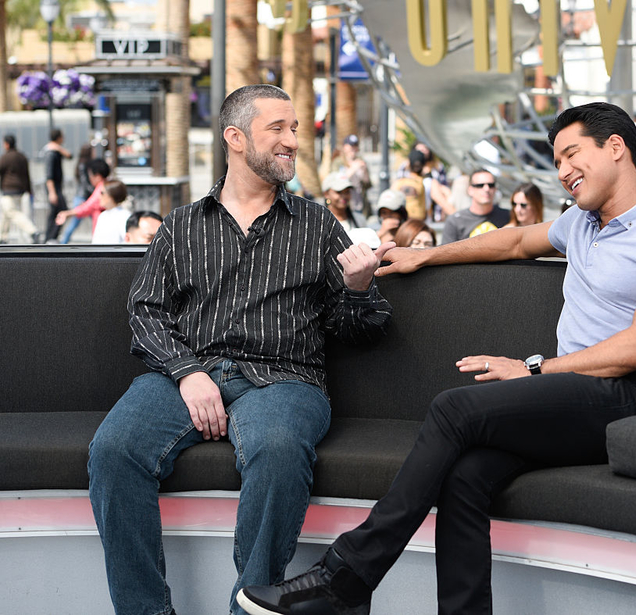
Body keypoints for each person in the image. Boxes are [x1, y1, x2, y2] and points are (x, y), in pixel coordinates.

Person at [236, 101, 636, 615]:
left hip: (628, 403)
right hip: (571, 401)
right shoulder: (581, 224)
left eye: (572, 154)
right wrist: (425, 254)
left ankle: (345, 577)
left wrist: (531, 369)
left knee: (454, 408)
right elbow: (511, 243)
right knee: (465, 477)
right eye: (556, 162)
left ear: (616, 147)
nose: (563, 172)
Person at [87, 84, 393, 615]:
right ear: (235, 137)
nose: (293, 141)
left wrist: (360, 289)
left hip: (286, 379)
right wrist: (186, 372)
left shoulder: (318, 225)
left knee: (278, 451)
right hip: (186, 372)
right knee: (113, 451)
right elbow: (145, 312)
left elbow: (358, 330)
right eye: (278, 128)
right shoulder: (182, 225)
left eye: (295, 129)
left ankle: (250, 607)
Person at [440, 169, 509, 244]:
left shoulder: (509, 216)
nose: (486, 189)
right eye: (480, 185)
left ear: (495, 189)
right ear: (470, 190)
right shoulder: (455, 221)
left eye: (491, 185)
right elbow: (447, 253)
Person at [55, 159, 111, 238]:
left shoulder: (102, 189)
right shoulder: (108, 185)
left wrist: (67, 213)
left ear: (98, 176)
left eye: (90, 176)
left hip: (103, 234)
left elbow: (89, 206)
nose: (90, 178)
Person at [0, 134, 39, 243]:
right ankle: (2, 238)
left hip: (8, 190)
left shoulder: (5, 157)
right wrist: (29, 190)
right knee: (5, 213)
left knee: (11, 212)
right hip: (21, 190)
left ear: (7, 144)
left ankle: (32, 230)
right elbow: (27, 174)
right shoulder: (22, 156)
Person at [60, 143, 94, 244]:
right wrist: (94, 191)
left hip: (82, 196)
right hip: (83, 197)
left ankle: (63, 243)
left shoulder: (81, 163)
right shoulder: (84, 164)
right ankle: (63, 243)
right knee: (75, 223)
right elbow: (85, 182)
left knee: (95, 220)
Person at [43, 128, 72, 242]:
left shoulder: (56, 151)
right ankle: (50, 237)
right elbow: (49, 175)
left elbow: (70, 156)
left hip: (57, 187)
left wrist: (58, 148)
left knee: (56, 211)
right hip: (54, 188)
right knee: (60, 210)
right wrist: (52, 192)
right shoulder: (51, 153)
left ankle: (50, 237)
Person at [332, 134, 372, 217]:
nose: (353, 148)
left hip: (360, 204)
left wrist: (364, 172)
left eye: (355, 146)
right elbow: (335, 182)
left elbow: (368, 185)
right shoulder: (338, 162)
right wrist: (353, 169)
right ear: (345, 147)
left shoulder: (361, 161)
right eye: (351, 145)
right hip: (345, 204)